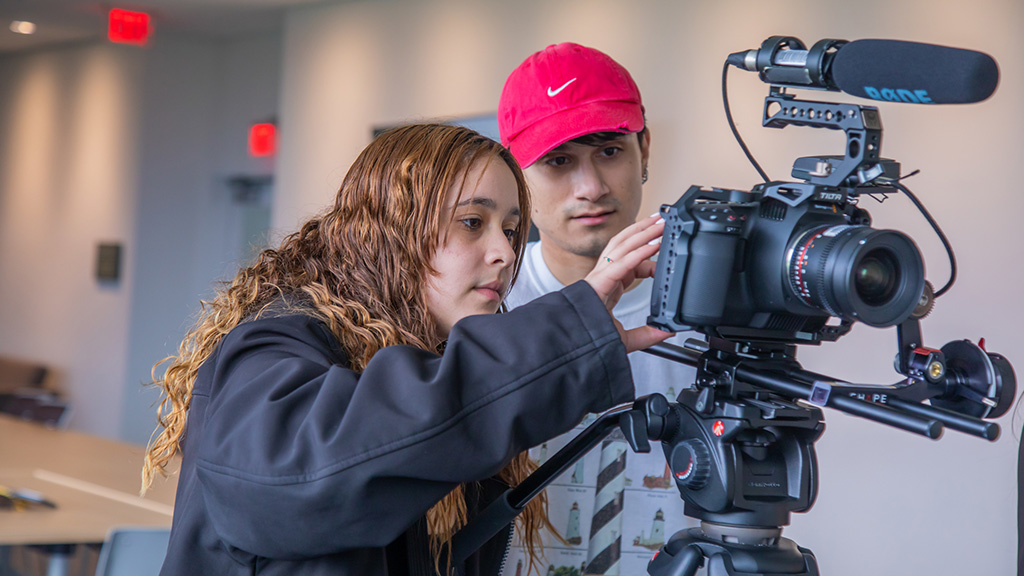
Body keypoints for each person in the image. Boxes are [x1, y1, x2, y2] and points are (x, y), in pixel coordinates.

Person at [141, 123, 670, 576]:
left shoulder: (434, 358)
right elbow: (305, 476)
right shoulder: (277, 342)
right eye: (471, 222)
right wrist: (562, 339)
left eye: (511, 229)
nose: (504, 252)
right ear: (391, 230)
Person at [497, 43, 699, 575]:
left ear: (645, 150)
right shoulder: (486, 306)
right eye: (558, 161)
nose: (591, 188)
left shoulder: (710, 310)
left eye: (609, 151)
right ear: (515, 176)